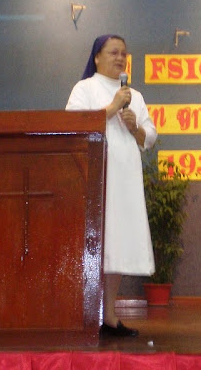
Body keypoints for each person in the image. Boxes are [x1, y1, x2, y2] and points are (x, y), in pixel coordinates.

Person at [66, 34, 157, 338]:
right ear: (96, 57)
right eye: (113, 52)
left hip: (125, 179)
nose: (120, 58)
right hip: (93, 177)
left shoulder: (135, 95)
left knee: (117, 244)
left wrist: (134, 127)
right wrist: (111, 107)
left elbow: (150, 136)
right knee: (94, 242)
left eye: (124, 53)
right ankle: (84, 316)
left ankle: (109, 317)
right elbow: (72, 124)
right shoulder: (85, 89)